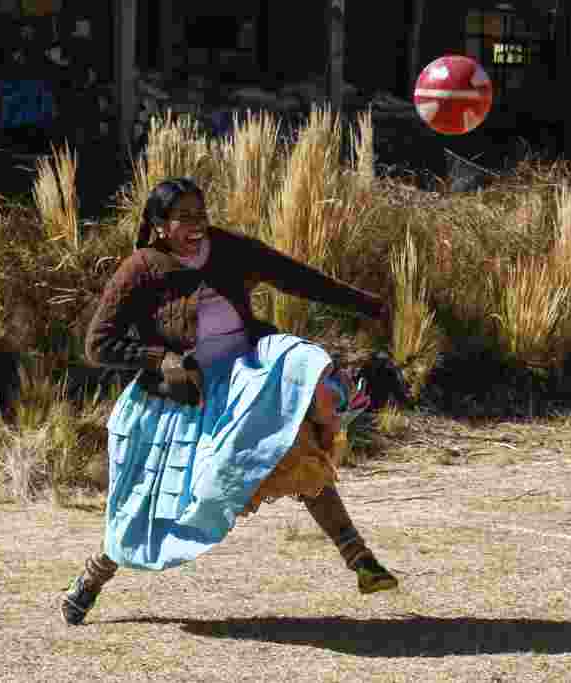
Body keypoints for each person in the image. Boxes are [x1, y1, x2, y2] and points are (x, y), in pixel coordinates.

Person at [61, 177, 399, 626]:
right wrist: (158, 358)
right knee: (154, 502)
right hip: (184, 398)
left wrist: (367, 305)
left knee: (298, 447)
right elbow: (98, 345)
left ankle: (360, 560)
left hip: (245, 380)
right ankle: (91, 577)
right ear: (160, 224)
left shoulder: (228, 249)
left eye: (201, 214)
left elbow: (295, 276)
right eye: (184, 217)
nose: (197, 224)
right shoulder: (141, 268)